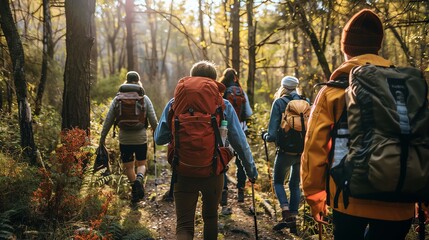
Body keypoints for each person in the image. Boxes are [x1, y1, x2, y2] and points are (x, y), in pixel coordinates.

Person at [301, 9, 415, 240]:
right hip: (401, 200)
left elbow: (315, 147)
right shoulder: (409, 89)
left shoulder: (333, 92)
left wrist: (314, 195)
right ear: (377, 46)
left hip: (348, 199)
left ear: (346, 49)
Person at [155, 60, 258, 240]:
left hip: (183, 171)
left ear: (191, 77)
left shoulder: (174, 103)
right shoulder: (223, 104)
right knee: (210, 218)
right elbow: (240, 143)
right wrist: (251, 171)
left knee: (184, 225)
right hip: (213, 171)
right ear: (214, 80)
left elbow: (159, 138)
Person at [99, 71, 158, 203]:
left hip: (124, 139)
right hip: (140, 138)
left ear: (126, 81)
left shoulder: (117, 99)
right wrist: (158, 134)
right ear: (138, 81)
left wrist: (102, 138)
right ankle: (139, 179)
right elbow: (153, 121)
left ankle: (135, 191)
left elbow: (108, 120)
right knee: (141, 163)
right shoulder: (144, 98)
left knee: (128, 167)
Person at [261, 76, 303, 233]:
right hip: (302, 151)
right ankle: (294, 221)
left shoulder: (279, 103)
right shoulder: (305, 102)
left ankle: (286, 213)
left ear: (283, 87)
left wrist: (264, 136)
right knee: (295, 184)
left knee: (278, 181)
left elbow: (271, 135)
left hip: (286, 151)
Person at [219, 68, 253, 215]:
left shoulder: (221, 91)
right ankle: (240, 193)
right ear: (235, 78)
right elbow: (248, 113)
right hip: (241, 130)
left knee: (223, 162)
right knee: (241, 162)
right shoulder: (241, 91)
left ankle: (223, 195)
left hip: (224, 132)